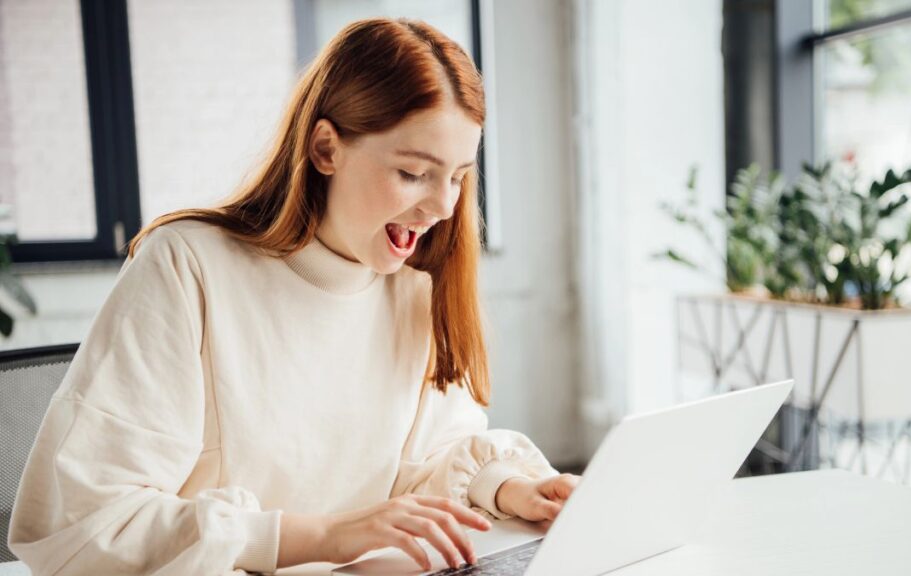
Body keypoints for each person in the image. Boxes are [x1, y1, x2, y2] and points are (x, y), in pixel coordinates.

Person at [8, 17, 579, 575]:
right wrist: (321, 537)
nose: (442, 207)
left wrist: (509, 489)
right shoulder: (188, 265)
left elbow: (421, 464)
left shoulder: (412, 286)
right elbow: (86, 525)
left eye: (457, 176)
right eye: (413, 173)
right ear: (326, 148)